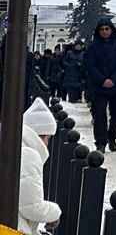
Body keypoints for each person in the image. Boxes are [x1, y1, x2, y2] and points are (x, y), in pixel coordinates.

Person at [83, 17, 116, 152]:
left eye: (107, 29)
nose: (105, 32)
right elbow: (90, 65)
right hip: (99, 85)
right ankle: (100, 142)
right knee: (99, 115)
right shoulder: (93, 46)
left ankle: (112, 137)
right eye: (102, 29)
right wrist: (102, 80)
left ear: (111, 29)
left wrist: (113, 79)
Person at [18, 97, 62, 235]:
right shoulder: (29, 154)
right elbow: (31, 207)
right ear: (41, 136)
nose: (47, 144)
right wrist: (55, 213)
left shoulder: (15, 146)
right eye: (48, 138)